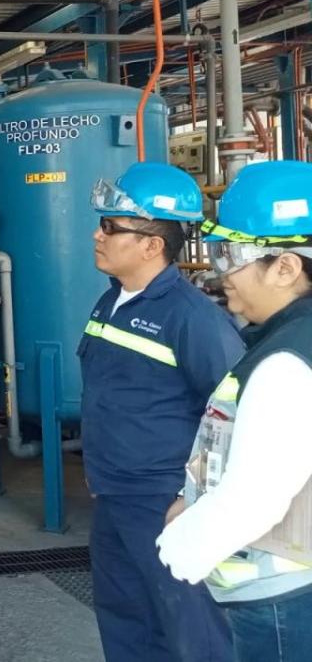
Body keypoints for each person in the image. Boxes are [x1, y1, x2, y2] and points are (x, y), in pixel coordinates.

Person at [82, 161, 239, 662]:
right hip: (113, 496)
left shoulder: (190, 318)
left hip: (165, 504)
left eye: (110, 227)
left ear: (151, 244)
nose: (97, 235)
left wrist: (193, 497)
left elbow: (233, 414)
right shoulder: (111, 302)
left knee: (190, 632)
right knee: (126, 620)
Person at [158, 160, 312, 661]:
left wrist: (182, 546)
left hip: (282, 596)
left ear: (286, 267)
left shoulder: (287, 359)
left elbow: (259, 492)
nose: (219, 273)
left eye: (231, 254)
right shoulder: (285, 341)